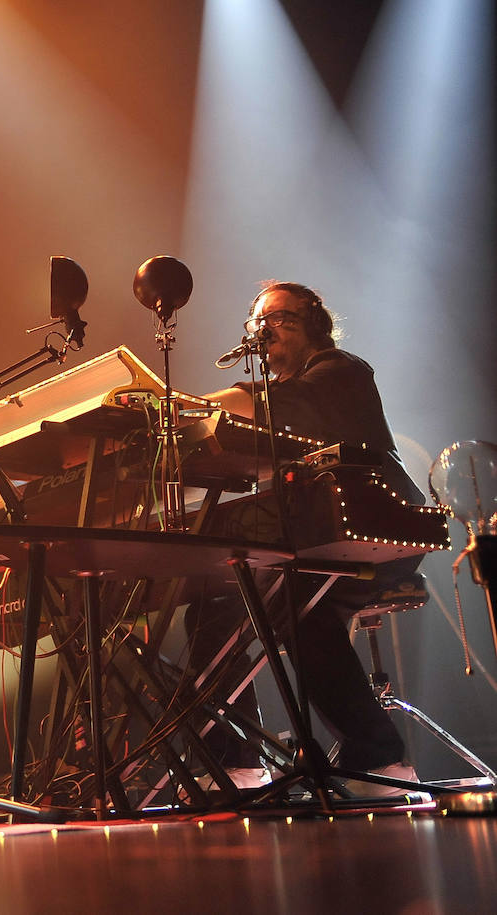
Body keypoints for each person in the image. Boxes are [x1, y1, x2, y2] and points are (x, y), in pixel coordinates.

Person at [191, 280, 424, 797]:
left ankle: (381, 759)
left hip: (381, 530)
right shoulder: (273, 406)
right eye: (258, 321)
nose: (264, 329)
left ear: (315, 323)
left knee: (299, 606)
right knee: (213, 604)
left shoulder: (342, 370)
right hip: (313, 544)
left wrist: (188, 411)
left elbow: (294, 402)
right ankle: (235, 759)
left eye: (280, 319)